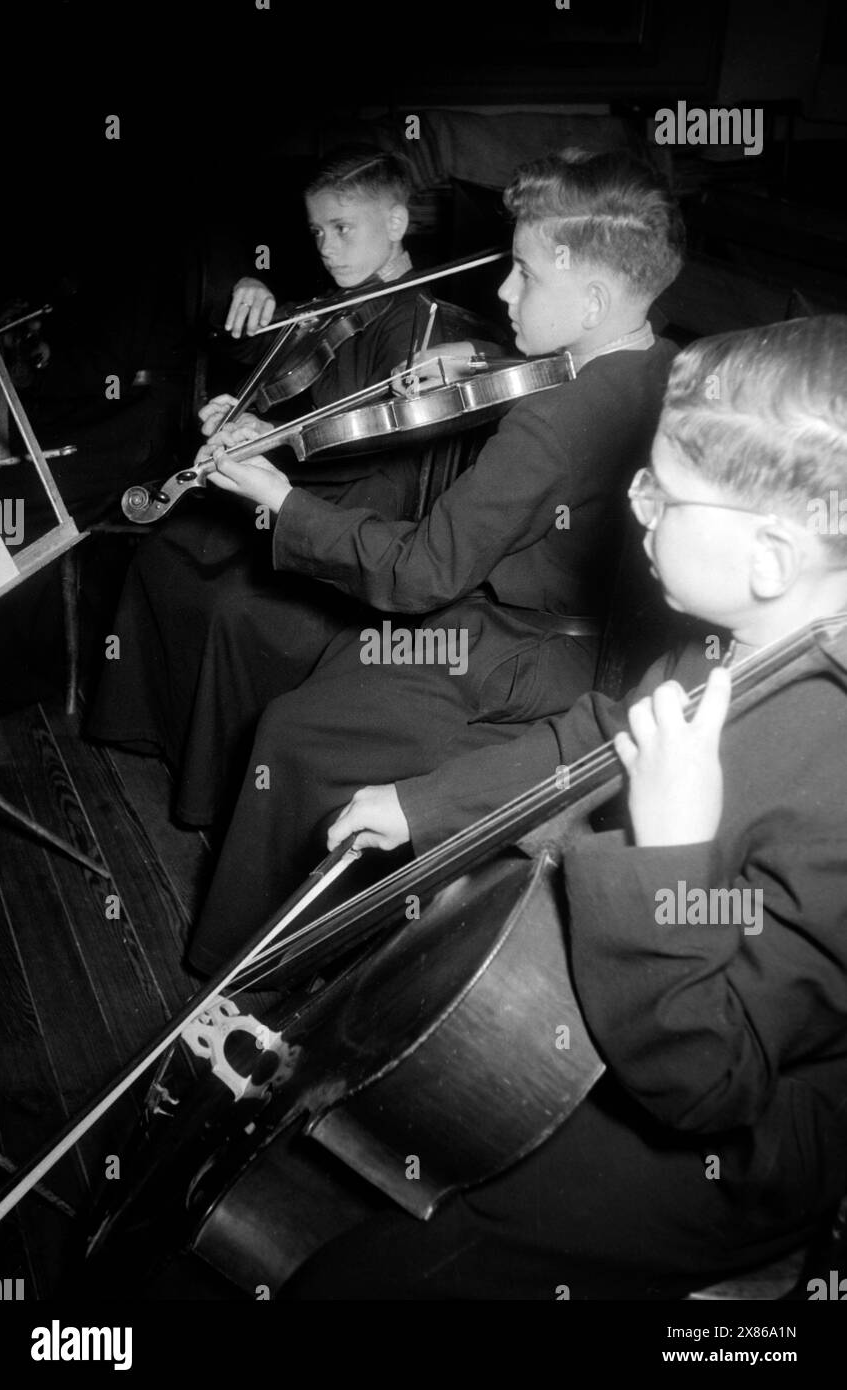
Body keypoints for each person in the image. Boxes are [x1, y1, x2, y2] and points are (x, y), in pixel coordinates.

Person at [274, 315, 847, 1300]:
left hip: (723, 1136)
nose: (633, 504)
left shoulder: (829, 773)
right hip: (644, 1001)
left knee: (377, 1279)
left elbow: (709, 1080)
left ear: (768, 555)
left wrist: (667, 851)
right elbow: (595, 735)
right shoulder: (735, 637)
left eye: (660, 493)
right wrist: (424, 801)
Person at [187, 147, 684, 974]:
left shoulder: (551, 426)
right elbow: (579, 367)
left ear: (592, 297)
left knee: (293, 728)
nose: (502, 291)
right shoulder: (658, 361)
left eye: (522, 275)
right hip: (589, 643)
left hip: (523, 653)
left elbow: (419, 575)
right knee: (331, 659)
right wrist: (491, 358)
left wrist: (281, 500)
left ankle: (246, 969)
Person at [84, 146, 489, 826]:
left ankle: (218, 792)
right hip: (295, 483)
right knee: (166, 553)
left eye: (343, 229)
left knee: (235, 608)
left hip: (364, 506)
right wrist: (245, 394)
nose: (327, 248)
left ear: (396, 222)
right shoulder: (330, 303)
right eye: (317, 232)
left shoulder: (428, 324)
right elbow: (265, 366)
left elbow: (380, 449)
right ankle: (172, 744)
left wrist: (267, 440)